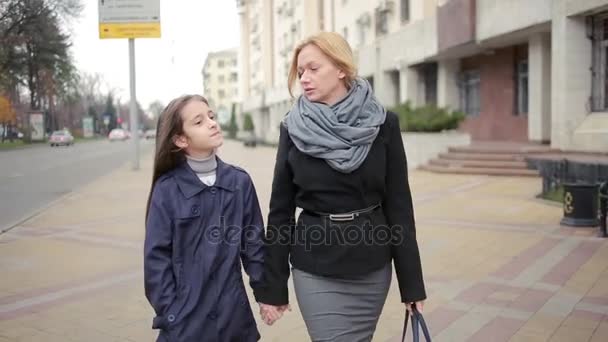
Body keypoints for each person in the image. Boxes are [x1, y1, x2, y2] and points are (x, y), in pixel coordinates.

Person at [254, 32, 427, 341]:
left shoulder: (384, 124)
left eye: (312, 68)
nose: (304, 78)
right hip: (314, 267)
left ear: (342, 69)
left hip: (372, 266)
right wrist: (274, 288)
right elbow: (279, 213)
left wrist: (411, 284)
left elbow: (399, 205)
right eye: (300, 71)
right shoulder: (293, 128)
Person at [144, 94, 265, 342]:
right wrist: (172, 314)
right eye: (198, 122)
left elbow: (254, 246)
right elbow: (156, 261)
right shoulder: (167, 190)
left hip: (235, 322)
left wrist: (267, 294)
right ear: (180, 139)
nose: (212, 123)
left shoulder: (239, 182)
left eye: (211, 116)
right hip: (186, 326)